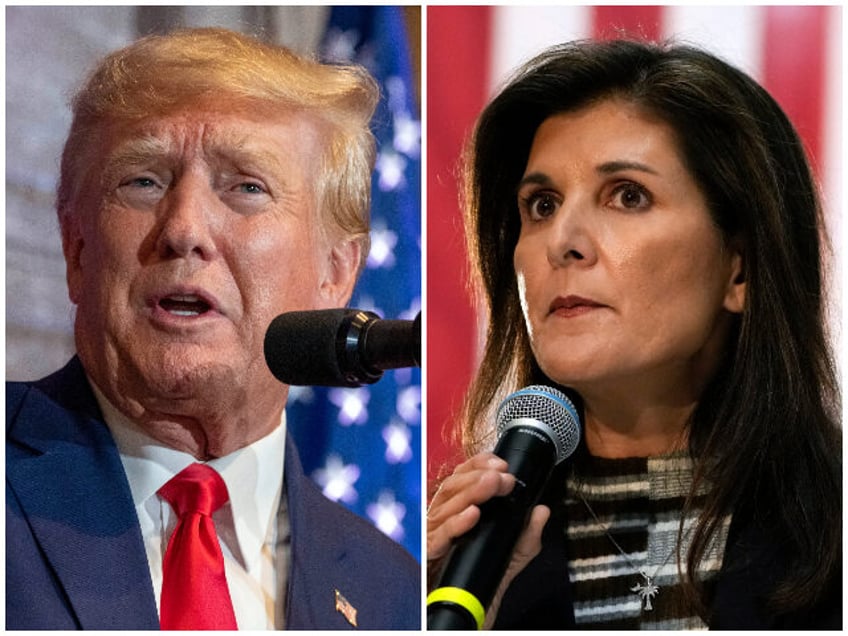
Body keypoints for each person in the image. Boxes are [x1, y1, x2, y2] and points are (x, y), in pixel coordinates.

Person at [6, 27, 420, 630]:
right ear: (75, 248)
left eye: (246, 187)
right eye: (143, 181)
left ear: (337, 272)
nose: (184, 228)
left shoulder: (393, 595)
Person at [427, 38, 841, 630]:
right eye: (541, 205)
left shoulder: (833, 526)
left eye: (627, 195)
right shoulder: (468, 553)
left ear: (740, 269)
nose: (563, 240)